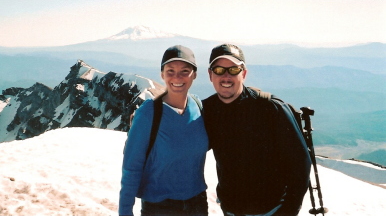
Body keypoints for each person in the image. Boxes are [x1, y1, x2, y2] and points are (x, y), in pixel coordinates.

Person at [203, 44, 311, 216]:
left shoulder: (270, 108)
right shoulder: (207, 110)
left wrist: (288, 211)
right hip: (231, 209)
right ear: (210, 75)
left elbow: (300, 164)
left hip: (272, 210)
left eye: (233, 70)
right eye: (218, 70)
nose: (226, 76)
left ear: (243, 74)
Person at [119, 45, 209, 216]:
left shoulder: (198, 106)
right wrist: (125, 211)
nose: (177, 77)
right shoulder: (148, 113)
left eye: (185, 71)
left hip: (197, 203)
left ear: (194, 75)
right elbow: (132, 167)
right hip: (160, 207)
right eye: (170, 71)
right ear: (162, 74)